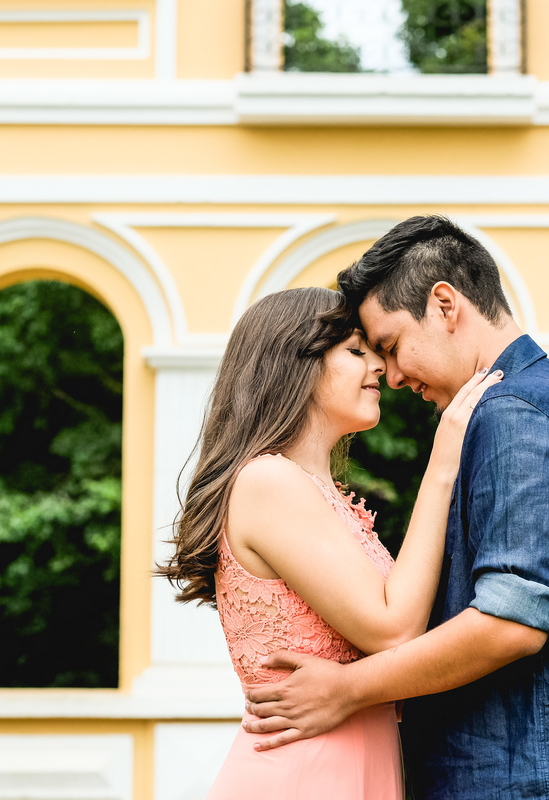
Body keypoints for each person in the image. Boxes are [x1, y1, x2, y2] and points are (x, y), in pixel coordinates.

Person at [242, 217, 549, 798]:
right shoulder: (522, 404)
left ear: (444, 304)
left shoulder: (513, 412)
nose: (391, 373)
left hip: (530, 780)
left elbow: (510, 623)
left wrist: (348, 688)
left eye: (388, 345)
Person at [156, 286, 502, 800]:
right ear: (296, 363)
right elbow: (394, 629)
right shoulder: (268, 482)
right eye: (357, 351)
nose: (380, 368)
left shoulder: (317, 493)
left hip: (356, 769)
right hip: (305, 776)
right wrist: (442, 463)